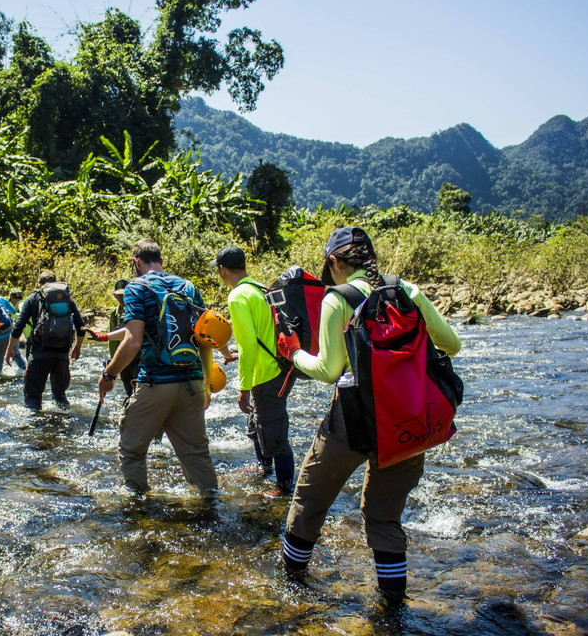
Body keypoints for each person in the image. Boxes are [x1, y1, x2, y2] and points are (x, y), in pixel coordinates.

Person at [276, 227, 461, 599]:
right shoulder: (406, 290)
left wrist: (294, 352)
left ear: (334, 262)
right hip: (409, 418)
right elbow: (451, 345)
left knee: (310, 499)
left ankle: (290, 587)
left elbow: (329, 371)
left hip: (353, 419)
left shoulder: (337, 298)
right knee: (384, 515)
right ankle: (393, 607)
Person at [97, 238, 218, 495]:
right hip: (192, 381)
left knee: (131, 449)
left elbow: (132, 342)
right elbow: (206, 338)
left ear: (136, 262)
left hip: (155, 382)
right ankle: (210, 506)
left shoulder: (136, 288)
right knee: (196, 453)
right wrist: (205, 384)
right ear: (162, 261)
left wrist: (109, 374)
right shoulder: (189, 287)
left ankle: (138, 507)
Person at [212, 245, 296, 497]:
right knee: (257, 424)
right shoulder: (259, 288)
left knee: (274, 431)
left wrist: (243, 387)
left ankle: (284, 487)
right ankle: (264, 469)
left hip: (268, 374)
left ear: (222, 269)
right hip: (280, 365)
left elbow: (249, 343)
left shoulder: (238, 296)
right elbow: (259, 334)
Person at [6, 270, 86, 411]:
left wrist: (10, 349)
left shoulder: (33, 297)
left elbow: (18, 326)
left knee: (32, 399)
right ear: (55, 282)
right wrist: (77, 347)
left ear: (39, 284)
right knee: (60, 398)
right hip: (62, 355)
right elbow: (81, 326)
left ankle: (34, 429)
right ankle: (64, 427)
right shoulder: (66, 298)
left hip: (39, 353)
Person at [87, 279, 141, 398]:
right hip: (122, 356)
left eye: (124, 294)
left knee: (138, 387)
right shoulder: (114, 314)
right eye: (119, 295)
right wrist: (113, 361)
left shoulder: (137, 310)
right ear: (114, 295)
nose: (122, 298)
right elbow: (113, 339)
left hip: (138, 357)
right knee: (128, 387)